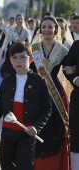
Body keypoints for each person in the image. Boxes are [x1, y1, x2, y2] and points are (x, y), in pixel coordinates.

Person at [0, 42, 52, 170]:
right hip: (7, 134)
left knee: (25, 166)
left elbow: (47, 108)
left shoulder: (39, 81)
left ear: (30, 59)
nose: (19, 60)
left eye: (23, 57)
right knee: (6, 166)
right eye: (15, 57)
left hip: (27, 134)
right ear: (10, 61)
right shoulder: (7, 82)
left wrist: (36, 127)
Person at [31, 16, 70, 170]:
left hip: (55, 93)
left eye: (50, 27)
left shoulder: (63, 50)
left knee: (55, 130)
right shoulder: (33, 48)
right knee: (37, 126)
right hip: (37, 92)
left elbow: (68, 70)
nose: (47, 30)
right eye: (44, 27)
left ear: (56, 30)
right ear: (40, 29)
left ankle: (55, 164)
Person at [63, 40, 79, 170]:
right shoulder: (77, 45)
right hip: (78, 98)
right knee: (76, 135)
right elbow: (67, 67)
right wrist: (75, 79)